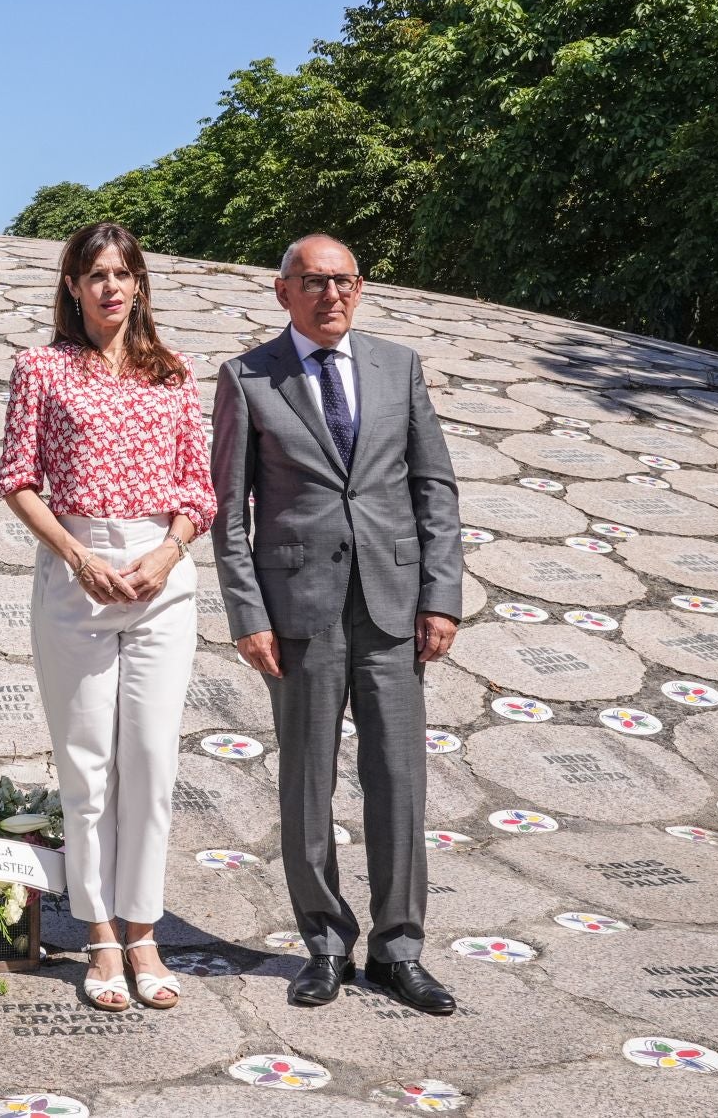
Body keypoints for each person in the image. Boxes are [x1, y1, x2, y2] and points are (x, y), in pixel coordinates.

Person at [209, 233, 463, 1015]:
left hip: (392, 607)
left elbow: (434, 489)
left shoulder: (399, 366)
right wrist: (249, 613)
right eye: (313, 282)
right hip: (299, 617)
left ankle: (399, 949)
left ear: (361, 288)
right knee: (307, 783)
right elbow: (228, 512)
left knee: (399, 781)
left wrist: (441, 596)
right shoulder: (248, 378)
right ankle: (323, 941)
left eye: (344, 281)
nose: (331, 295)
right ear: (282, 291)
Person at [0, 222, 216, 1012]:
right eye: (96, 275)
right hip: (77, 573)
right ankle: (97, 933)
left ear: (140, 285)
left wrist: (167, 553)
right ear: (72, 287)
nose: (111, 287)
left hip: (162, 576)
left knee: (152, 760)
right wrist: (78, 556)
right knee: (88, 767)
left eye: (124, 274)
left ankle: (144, 930)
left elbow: (199, 487)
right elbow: (19, 478)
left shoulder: (173, 373)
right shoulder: (41, 369)